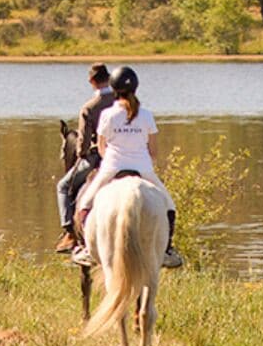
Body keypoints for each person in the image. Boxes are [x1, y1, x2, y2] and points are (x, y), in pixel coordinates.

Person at [67, 66, 182, 269]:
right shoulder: (146, 114)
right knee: (170, 205)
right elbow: (153, 150)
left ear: (114, 89)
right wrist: (144, 162)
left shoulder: (108, 115)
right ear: (135, 89)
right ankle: (167, 250)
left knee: (85, 203)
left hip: (112, 167)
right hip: (143, 168)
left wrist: (114, 158)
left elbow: (102, 148)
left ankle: (86, 248)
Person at [53, 64, 115, 253]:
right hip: (125, 154)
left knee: (63, 187)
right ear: (110, 78)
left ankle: (70, 232)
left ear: (91, 81)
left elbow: (83, 145)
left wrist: (81, 152)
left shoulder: (89, 107)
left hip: (98, 157)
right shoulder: (124, 101)